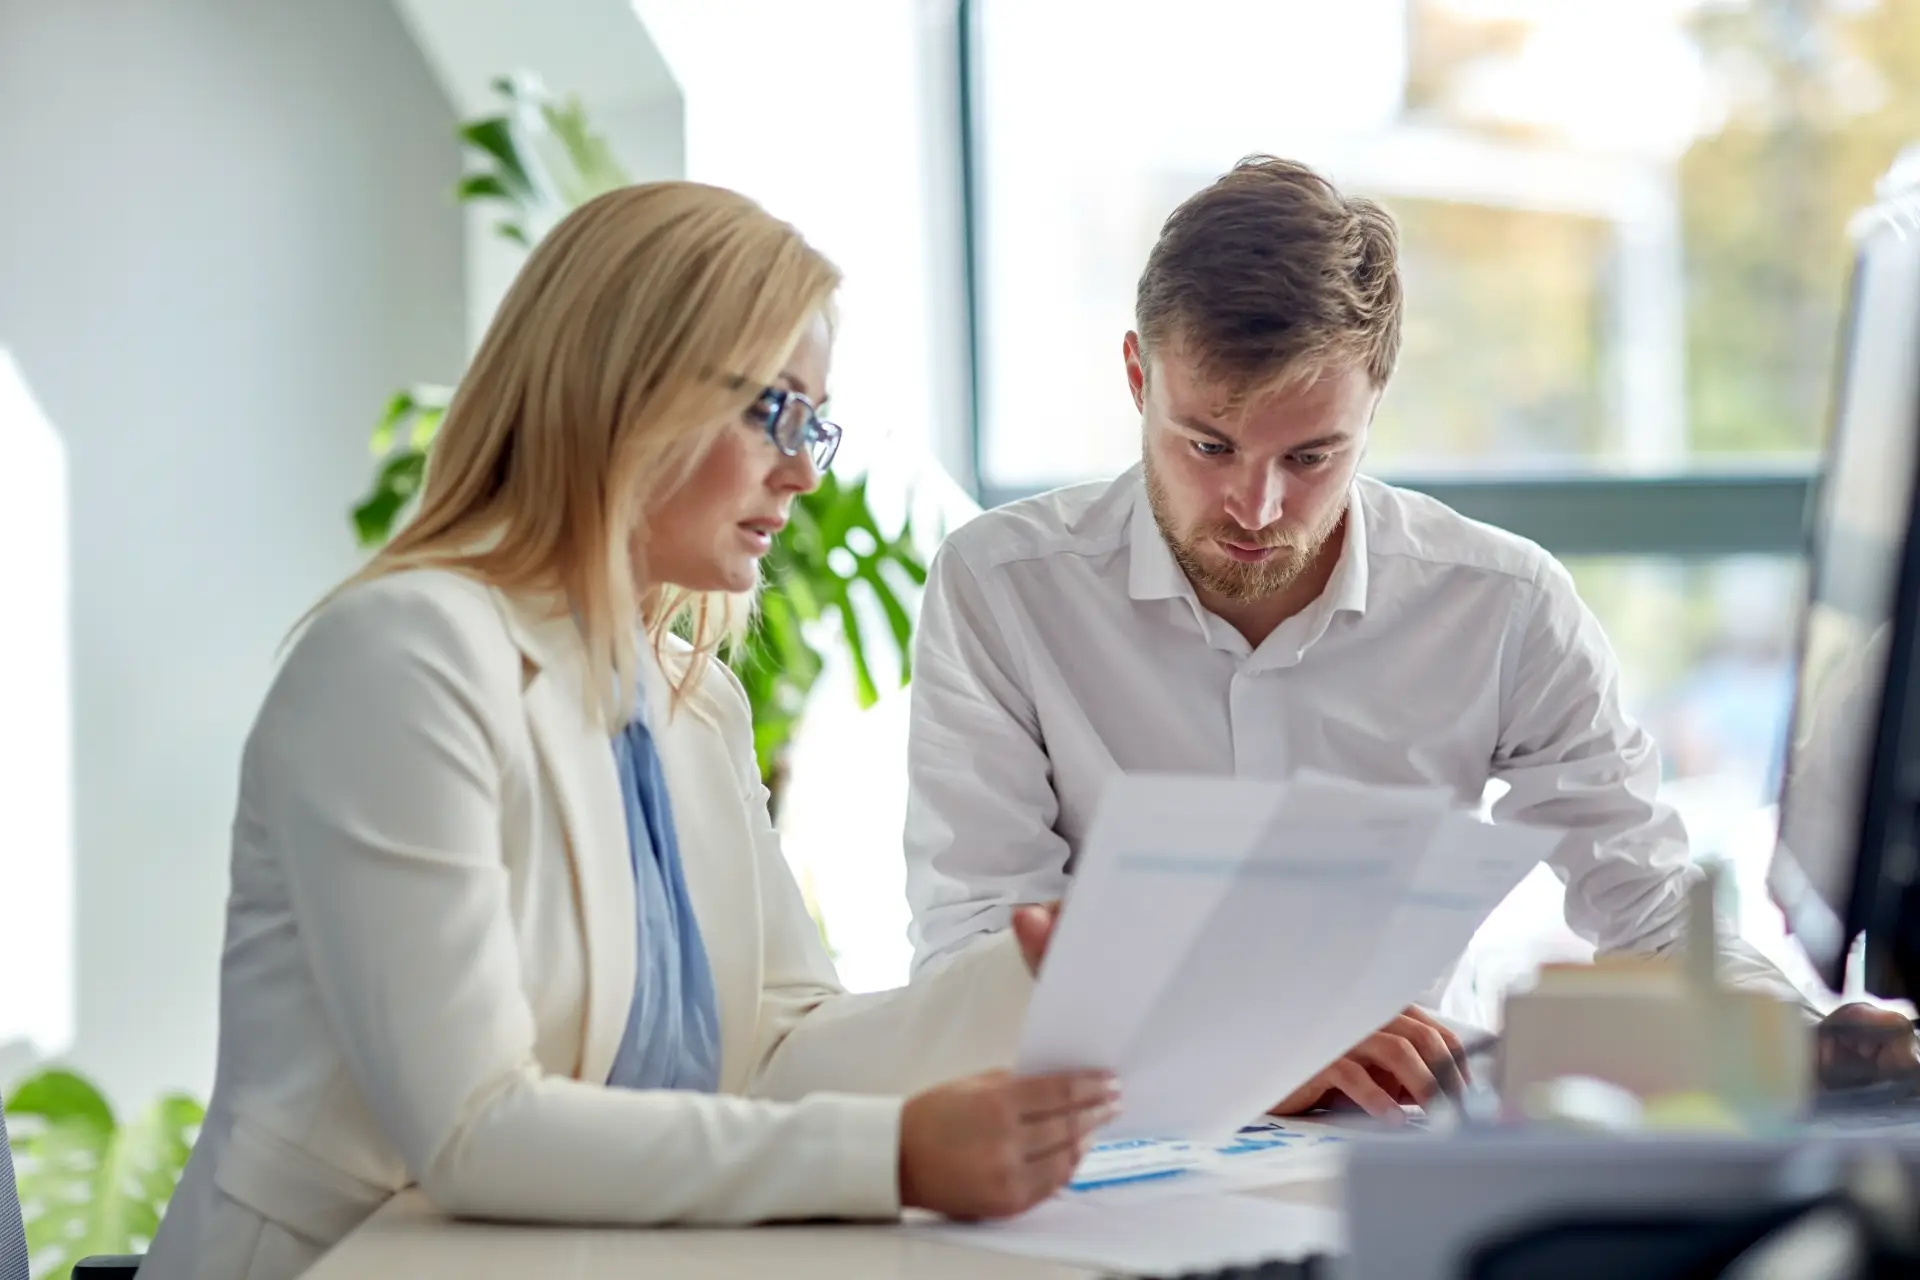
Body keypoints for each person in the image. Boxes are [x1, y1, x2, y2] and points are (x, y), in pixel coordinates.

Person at [142, 182, 1116, 1280]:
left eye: (818, 425)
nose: (802, 471)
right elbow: (474, 1129)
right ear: (629, 391)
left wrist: (1047, 979)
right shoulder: (405, 657)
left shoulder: (692, 703)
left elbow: (778, 1049)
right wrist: (891, 1154)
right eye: (776, 411)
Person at [902, 154, 1823, 1121]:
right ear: (1139, 376)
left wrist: (1808, 1045)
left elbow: (1650, 903)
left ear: (1375, 401)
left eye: (1311, 456)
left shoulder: (1501, 605)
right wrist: (1256, 1058)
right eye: (1209, 446)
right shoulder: (1004, 589)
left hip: (1409, 1136)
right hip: (1110, 1149)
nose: (1254, 507)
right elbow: (972, 957)